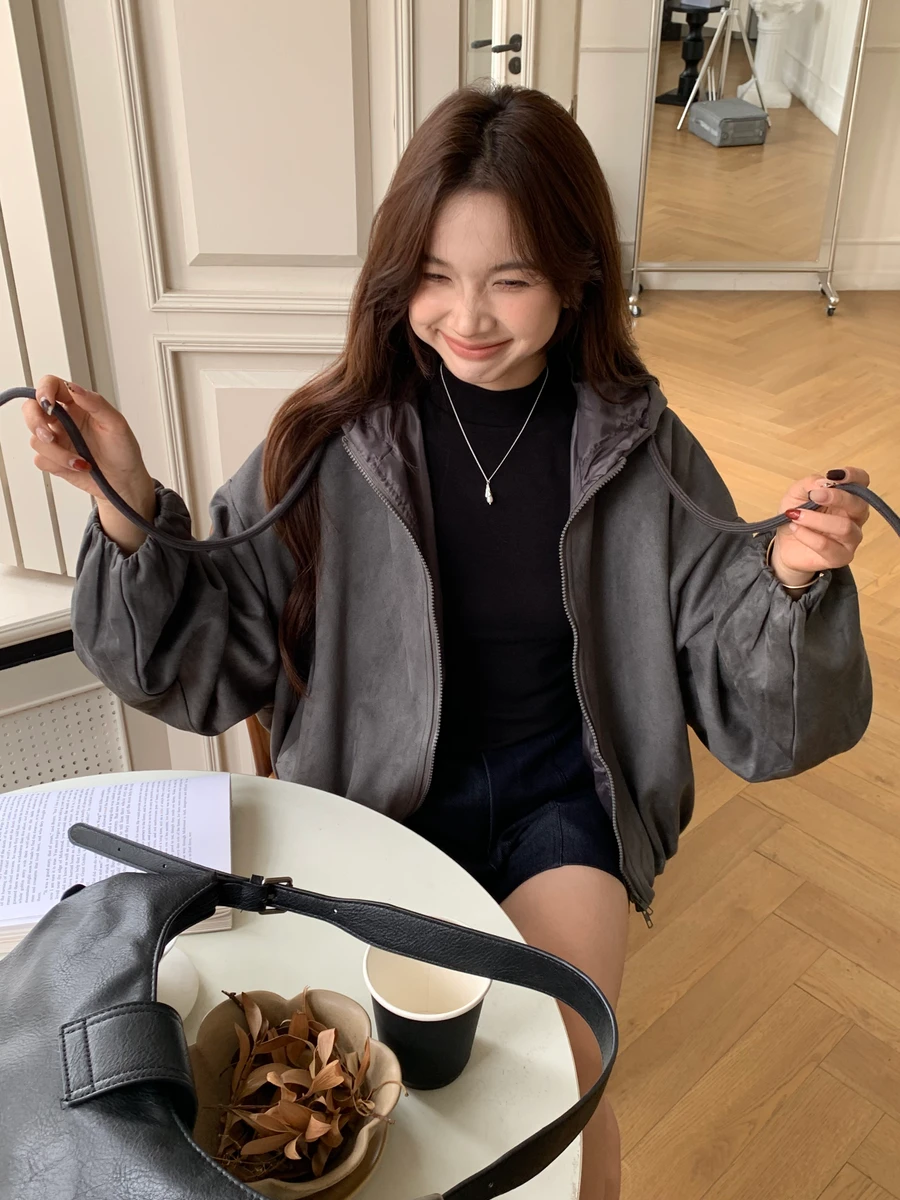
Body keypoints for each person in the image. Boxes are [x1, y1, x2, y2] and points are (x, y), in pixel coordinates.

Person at [21, 85, 872, 1200]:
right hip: (378, 803)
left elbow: (745, 685)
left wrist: (790, 577)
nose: (468, 316)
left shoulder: (642, 448)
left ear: (576, 276)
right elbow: (201, 656)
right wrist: (128, 504)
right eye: (433, 275)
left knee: (560, 1099)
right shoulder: (328, 441)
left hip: (562, 801)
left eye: (510, 279)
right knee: (388, 1111)